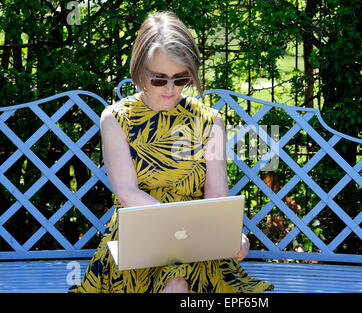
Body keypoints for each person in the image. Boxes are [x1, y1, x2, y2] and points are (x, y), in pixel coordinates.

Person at [69, 11, 274, 293]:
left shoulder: (209, 120)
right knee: (176, 282)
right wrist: (176, 229)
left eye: (181, 79)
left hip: (197, 241)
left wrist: (231, 235)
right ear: (140, 69)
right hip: (138, 240)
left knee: (179, 278)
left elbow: (216, 195)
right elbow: (127, 192)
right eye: (159, 79)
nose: (170, 88)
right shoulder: (116, 119)